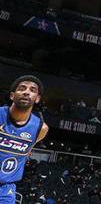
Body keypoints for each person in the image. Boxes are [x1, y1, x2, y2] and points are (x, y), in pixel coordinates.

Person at [0, 75, 49, 204]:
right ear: (12, 95)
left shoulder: (41, 129)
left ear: (37, 99)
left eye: (32, 90)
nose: (26, 92)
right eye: (22, 88)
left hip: (5, 189)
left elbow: (27, 152)